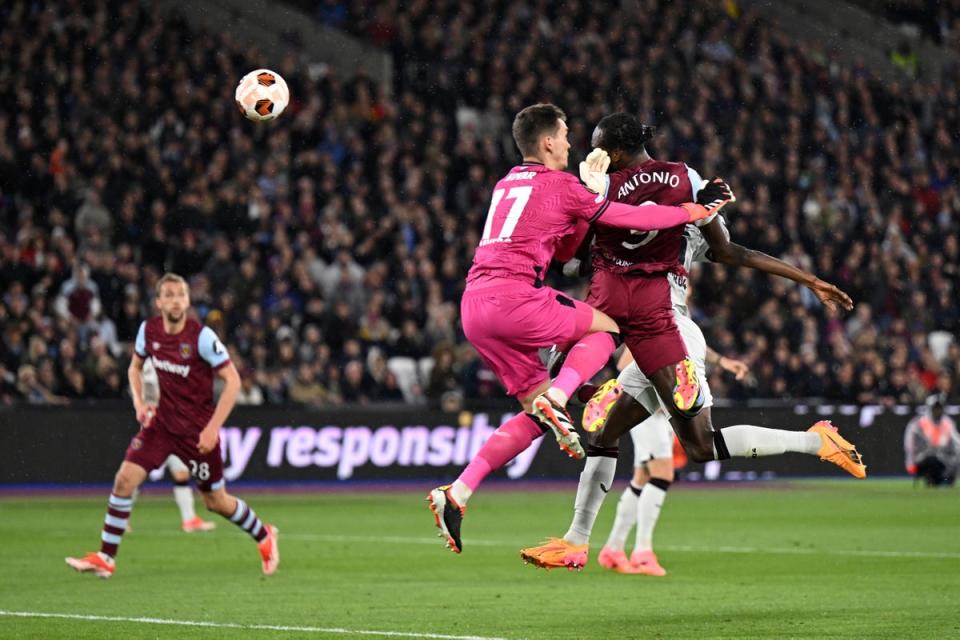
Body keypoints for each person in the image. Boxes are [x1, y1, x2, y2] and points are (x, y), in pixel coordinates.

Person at [519, 112, 865, 572]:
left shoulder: (603, 189)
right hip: (652, 326)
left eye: (600, 146)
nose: (593, 153)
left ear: (615, 151)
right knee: (606, 432)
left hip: (669, 329)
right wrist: (809, 279)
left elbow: (574, 259)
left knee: (695, 444)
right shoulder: (687, 183)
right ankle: (576, 541)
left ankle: (814, 442)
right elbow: (730, 251)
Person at [427, 103, 731, 554]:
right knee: (605, 329)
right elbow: (632, 218)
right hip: (515, 296)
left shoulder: (506, 181)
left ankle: (459, 491)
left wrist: (585, 205)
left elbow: (567, 249)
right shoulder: (564, 185)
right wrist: (692, 210)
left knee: (535, 415)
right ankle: (560, 393)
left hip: (474, 308)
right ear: (548, 141)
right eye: (566, 134)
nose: (572, 142)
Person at [66, 273, 278, 578]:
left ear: (188, 301)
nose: (175, 300)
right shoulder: (148, 331)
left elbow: (233, 381)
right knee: (124, 480)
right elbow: (134, 367)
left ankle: (264, 534)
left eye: (181, 294)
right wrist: (139, 403)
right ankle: (106, 558)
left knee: (215, 502)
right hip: (162, 426)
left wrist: (212, 428)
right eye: (169, 294)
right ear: (159, 302)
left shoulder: (202, 337)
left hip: (197, 432)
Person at [904, 393, 959, 487]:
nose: (938, 411)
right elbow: (910, 446)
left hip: (943, 459)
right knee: (932, 459)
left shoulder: (948, 423)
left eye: (939, 408)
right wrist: (910, 463)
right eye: (935, 408)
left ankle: (946, 479)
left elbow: (957, 443)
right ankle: (934, 479)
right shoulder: (918, 424)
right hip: (923, 459)